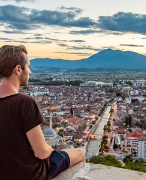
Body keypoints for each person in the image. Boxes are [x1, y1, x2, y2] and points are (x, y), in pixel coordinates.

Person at [0, 45, 86, 180]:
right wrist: (51, 150)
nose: (30, 72)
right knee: (80, 153)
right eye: (28, 66)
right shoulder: (24, 103)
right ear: (18, 69)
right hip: (33, 174)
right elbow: (41, 153)